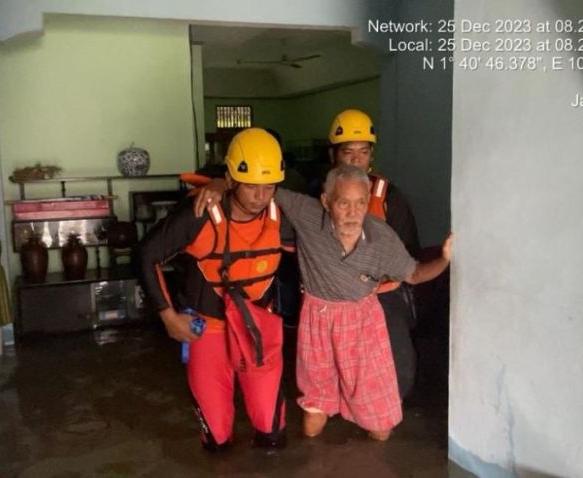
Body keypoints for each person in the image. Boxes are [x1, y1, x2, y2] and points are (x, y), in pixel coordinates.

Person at [193, 165, 453, 441]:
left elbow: (414, 274)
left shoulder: (382, 237)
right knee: (312, 424)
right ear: (326, 201)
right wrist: (221, 183)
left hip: (363, 323)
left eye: (361, 203)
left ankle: (358, 406)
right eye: (343, 203)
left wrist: (444, 260)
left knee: (381, 432)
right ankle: (327, 404)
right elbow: (263, 191)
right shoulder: (308, 213)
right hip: (318, 320)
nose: (353, 213)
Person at [138, 128, 293, 451]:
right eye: (251, 185)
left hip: (256, 329)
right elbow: (146, 255)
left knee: (272, 434)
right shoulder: (199, 214)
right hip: (207, 330)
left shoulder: (284, 217)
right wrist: (168, 317)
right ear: (232, 179)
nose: (260, 196)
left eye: (269, 186)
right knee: (218, 439)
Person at [319, 109, 423, 400]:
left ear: (371, 156)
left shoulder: (389, 198)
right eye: (347, 152)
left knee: (397, 368)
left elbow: (408, 254)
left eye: (363, 152)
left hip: (382, 294)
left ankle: (387, 409)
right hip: (334, 297)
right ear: (333, 155)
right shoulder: (317, 197)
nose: (355, 160)